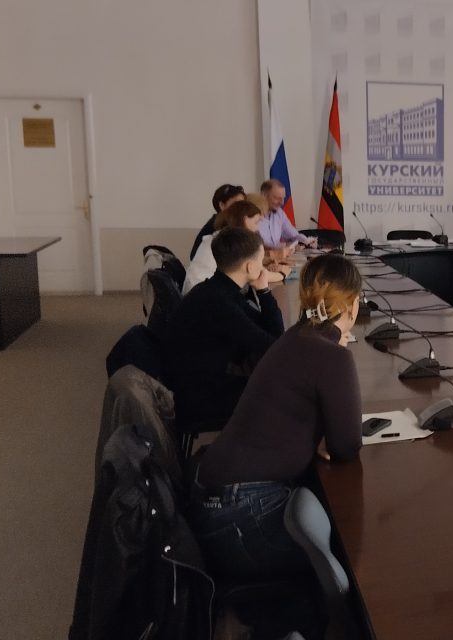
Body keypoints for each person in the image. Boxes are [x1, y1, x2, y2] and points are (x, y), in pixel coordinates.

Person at [188, 253, 363, 581]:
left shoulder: (295, 336)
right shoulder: (332, 356)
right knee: (346, 557)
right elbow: (346, 446)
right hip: (238, 515)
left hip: (213, 500)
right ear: (352, 305)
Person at [164, 227, 285, 436]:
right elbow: (273, 346)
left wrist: (262, 292)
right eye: (261, 260)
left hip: (197, 385)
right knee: (285, 397)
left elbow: (270, 335)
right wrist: (264, 291)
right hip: (197, 401)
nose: (263, 266)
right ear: (249, 266)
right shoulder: (219, 303)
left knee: (276, 385)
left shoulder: (218, 289)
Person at [184, 200, 284, 294]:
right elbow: (257, 274)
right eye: (256, 222)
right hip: (205, 295)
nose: (257, 228)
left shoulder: (223, 236)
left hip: (200, 291)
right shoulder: (232, 242)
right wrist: (283, 273)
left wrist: (265, 261)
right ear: (245, 220)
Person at [190, 184, 246, 260]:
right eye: (236, 204)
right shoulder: (219, 225)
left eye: (243, 204)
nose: (242, 208)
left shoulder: (232, 223)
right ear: (222, 205)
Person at [258, 179, 316, 252]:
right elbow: (257, 245)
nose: (282, 203)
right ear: (264, 196)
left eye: (283, 198)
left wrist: (306, 241)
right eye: (277, 198)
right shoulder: (253, 216)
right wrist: (282, 246)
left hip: (278, 256)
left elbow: (293, 235)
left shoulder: (279, 213)